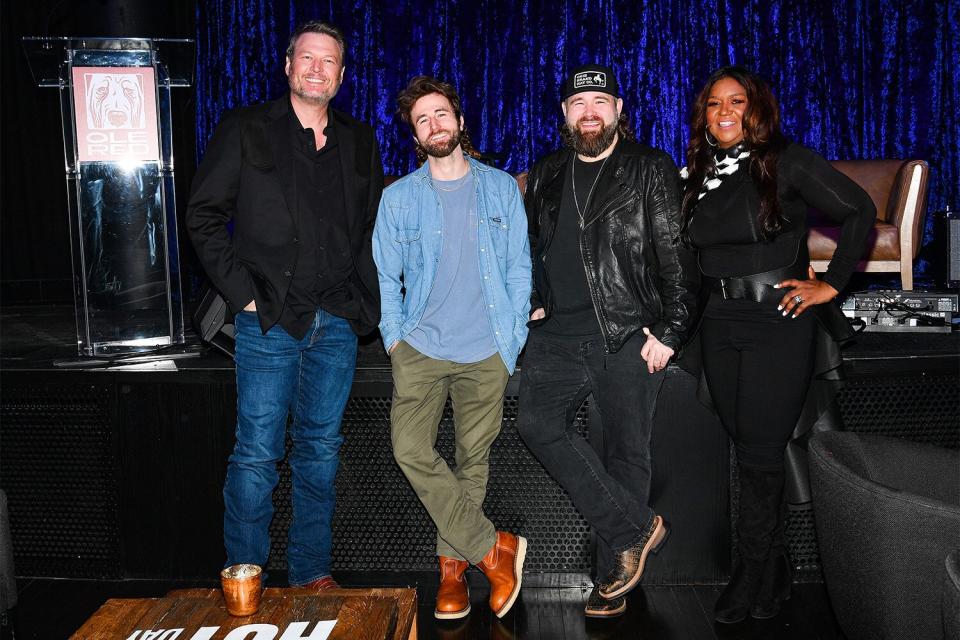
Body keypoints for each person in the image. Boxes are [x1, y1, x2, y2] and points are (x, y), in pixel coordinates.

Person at [186, 21, 384, 589]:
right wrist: (242, 295)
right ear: (288, 65)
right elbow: (202, 215)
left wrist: (367, 306)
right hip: (268, 318)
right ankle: (244, 575)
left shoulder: (359, 138)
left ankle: (310, 576)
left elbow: (369, 227)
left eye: (330, 61)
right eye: (308, 58)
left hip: (339, 321)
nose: (317, 68)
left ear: (341, 76)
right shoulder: (246, 128)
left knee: (320, 453)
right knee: (256, 455)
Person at [679, 65, 875, 623]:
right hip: (717, 321)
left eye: (736, 102)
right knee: (748, 445)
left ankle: (750, 571)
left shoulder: (785, 161)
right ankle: (774, 567)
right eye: (714, 103)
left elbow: (857, 209)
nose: (723, 112)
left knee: (762, 450)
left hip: (777, 322)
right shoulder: (698, 171)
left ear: (756, 107)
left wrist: (831, 285)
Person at [517, 64, 699, 618]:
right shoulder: (548, 172)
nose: (590, 112)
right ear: (565, 115)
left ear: (619, 109)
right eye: (578, 104)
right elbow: (529, 247)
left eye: (600, 101)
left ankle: (611, 577)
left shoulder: (649, 168)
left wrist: (671, 329)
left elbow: (677, 255)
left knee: (625, 453)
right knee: (535, 424)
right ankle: (639, 530)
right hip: (557, 334)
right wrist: (532, 296)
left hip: (625, 330)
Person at [373, 76, 531, 620]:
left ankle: (452, 573)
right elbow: (384, 276)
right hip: (419, 346)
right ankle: (492, 549)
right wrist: (394, 338)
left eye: (441, 114)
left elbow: (517, 267)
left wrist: (510, 342)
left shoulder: (502, 189)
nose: (435, 125)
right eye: (423, 120)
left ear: (460, 122)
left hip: (486, 348)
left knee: (473, 462)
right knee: (409, 449)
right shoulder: (398, 198)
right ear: (415, 136)